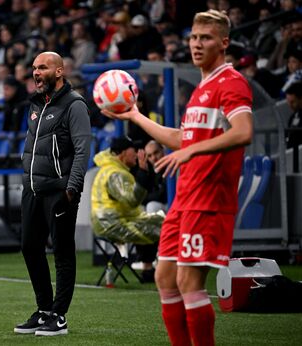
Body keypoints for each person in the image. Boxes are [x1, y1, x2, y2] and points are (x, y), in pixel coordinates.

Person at [101, 10, 253, 345]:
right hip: (185, 199)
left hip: (209, 199)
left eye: (206, 38)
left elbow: (244, 132)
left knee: (188, 282)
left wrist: (191, 152)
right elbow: (181, 138)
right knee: (165, 278)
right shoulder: (202, 88)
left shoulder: (232, 83)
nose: (197, 44)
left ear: (224, 42)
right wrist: (136, 116)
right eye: (194, 38)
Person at [14, 52, 91, 336]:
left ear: (59, 72)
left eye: (42, 67)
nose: (36, 72)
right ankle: (44, 309)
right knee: (29, 248)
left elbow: (83, 149)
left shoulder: (75, 104)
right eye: (34, 68)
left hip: (60, 191)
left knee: (62, 252)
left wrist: (72, 187)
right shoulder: (35, 104)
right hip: (33, 189)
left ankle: (59, 316)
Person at [91, 137, 164, 283]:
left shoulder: (112, 169)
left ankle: (148, 270)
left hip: (110, 221)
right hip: (112, 224)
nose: (137, 154)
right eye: (134, 151)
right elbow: (132, 200)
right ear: (123, 153)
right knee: (162, 226)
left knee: (155, 221)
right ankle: (162, 269)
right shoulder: (115, 173)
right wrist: (143, 173)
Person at [135, 140, 167, 213]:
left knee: (152, 206)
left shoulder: (170, 166)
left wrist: (143, 199)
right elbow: (140, 192)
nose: (153, 158)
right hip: (160, 204)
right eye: (149, 156)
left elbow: (162, 195)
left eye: (156, 153)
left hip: (172, 204)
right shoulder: (150, 169)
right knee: (139, 209)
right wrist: (142, 171)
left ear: (163, 150)